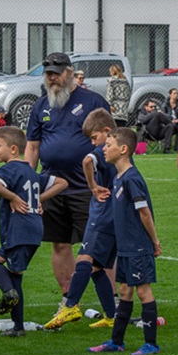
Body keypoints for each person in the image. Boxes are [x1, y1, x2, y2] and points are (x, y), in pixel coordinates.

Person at [24, 52, 111, 306]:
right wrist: (29, 182)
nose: (52, 78)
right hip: (52, 187)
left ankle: (112, 301)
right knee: (60, 244)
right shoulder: (41, 106)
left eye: (56, 73)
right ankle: (69, 301)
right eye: (48, 74)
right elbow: (32, 147)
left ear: (70, 73)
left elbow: (109, 141)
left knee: (99, 246)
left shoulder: (93, 101)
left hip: (87, 187)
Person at [88, 127, 161, 355]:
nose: (104, 149)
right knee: (124, 291)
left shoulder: (131, 178)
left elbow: (145, 213)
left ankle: (151, 344)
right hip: (126, 246)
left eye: (108, 145)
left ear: (123, 149)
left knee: (143, 292)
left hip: (138, 245)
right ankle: (116, 341)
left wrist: (154, 241)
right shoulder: (118, 178)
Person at [0, 126, 67, 337]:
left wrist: (14, 198)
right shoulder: (31, 172)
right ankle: (18, 327)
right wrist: (38, 199)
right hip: (34, 230)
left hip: (18, 230)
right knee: (14, 274)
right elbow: (62, 183)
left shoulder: (6, 170)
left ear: (13, 149)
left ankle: (9, 296)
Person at [45, 108, 119, 330]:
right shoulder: (121, 150)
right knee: (97, 266)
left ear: (106, 131)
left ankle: (70, 306)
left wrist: (93, 186)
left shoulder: (102, 150)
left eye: (95, 138)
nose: (93, 143)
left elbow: (87, 161)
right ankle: (112, 316)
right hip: (117, 211)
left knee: (85, 258)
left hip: (103, 213)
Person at [106, 62, 132, 127]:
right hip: (123, 110)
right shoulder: (125, 81)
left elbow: (110, 94)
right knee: (121, 128)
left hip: (114, 109)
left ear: (112, 71)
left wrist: (109, 104)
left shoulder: (111, 81)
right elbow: (128, 95)